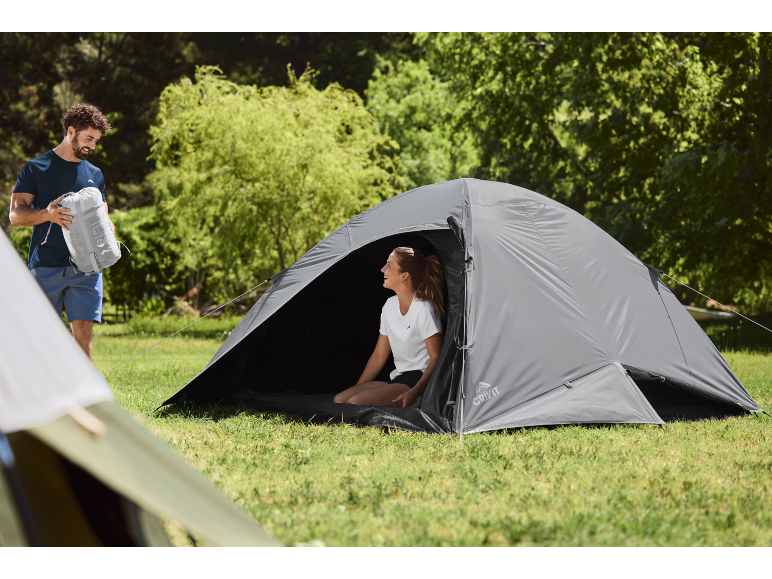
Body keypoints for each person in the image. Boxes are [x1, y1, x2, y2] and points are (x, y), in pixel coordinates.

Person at [8, 103, 113, 360]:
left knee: (83, 336)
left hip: (87, 268)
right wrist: (47, 215)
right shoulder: (36, 168)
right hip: (46, 266)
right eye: (88, 138)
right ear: (71, 131)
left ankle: (83, 397)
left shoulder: (95, 174)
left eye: (96, 141)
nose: (92, 146)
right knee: (41, 339)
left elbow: (105, 218)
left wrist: (111, 242)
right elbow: (15, 215)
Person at [333, 247, 444, 408]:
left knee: (354, 403)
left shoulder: (424, 308)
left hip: (418, 382)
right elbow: (378, 356)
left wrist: (415, 392)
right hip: (398, 378)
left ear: (404, 276)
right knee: (341, 401)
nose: (383, 269)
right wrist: (356, 389)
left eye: (389, 265)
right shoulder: (389, 305)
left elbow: (437, 357)